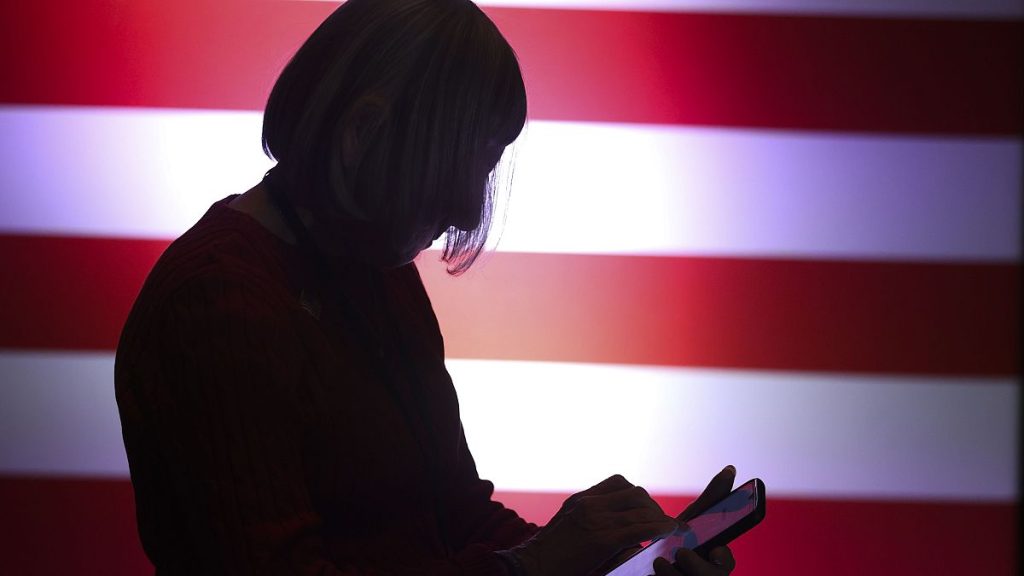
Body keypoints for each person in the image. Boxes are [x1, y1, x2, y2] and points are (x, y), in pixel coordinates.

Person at [114, 1, 739, 574]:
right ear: (363, 132)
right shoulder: (218, 305)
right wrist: (540, 563)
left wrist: (609, 556)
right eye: (460, 163)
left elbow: (453, 518)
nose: (469, 210)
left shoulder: (372, 271)